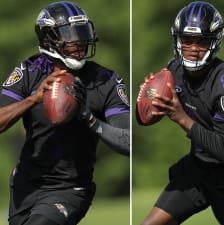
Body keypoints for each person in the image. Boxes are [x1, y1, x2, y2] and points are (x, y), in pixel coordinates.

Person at [0, 1, 130, 225]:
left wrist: (89, 118)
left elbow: (128, 142)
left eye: (81, 33)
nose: (78, 41)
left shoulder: (107, 81)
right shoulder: (29, 71)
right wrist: (34, 99)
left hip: (70, 188)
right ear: (47, 39)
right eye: (69, 35)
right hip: (26, 184)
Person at [137, 1, 224, 225]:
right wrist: (148, 100)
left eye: (202, 41)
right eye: (187, 41)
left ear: (215, 42)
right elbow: (143, 120)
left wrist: (181, 118)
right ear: (177, 40)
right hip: (199, 170)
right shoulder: (173, 69)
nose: (194, 48)